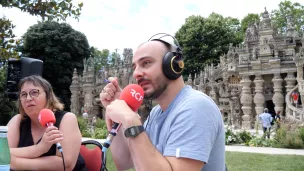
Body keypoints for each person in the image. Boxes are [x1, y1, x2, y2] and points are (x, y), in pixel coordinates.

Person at [100, 33, 225, 171]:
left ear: (173, 65)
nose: (136, 73)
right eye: (134, 67)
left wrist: (131, 120)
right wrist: (119, 117)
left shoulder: (196, 106)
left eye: (146, 63)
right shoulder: (156, 113)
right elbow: (125, 162)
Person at [7, 75, 86, 171]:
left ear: (48, 96)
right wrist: (39, 149)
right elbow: (2, 152)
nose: (28, 98)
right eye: (23, 95)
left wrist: (15, 163)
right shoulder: (18, 120)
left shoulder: (67, 118)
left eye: (34, 93)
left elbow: (65, 164)